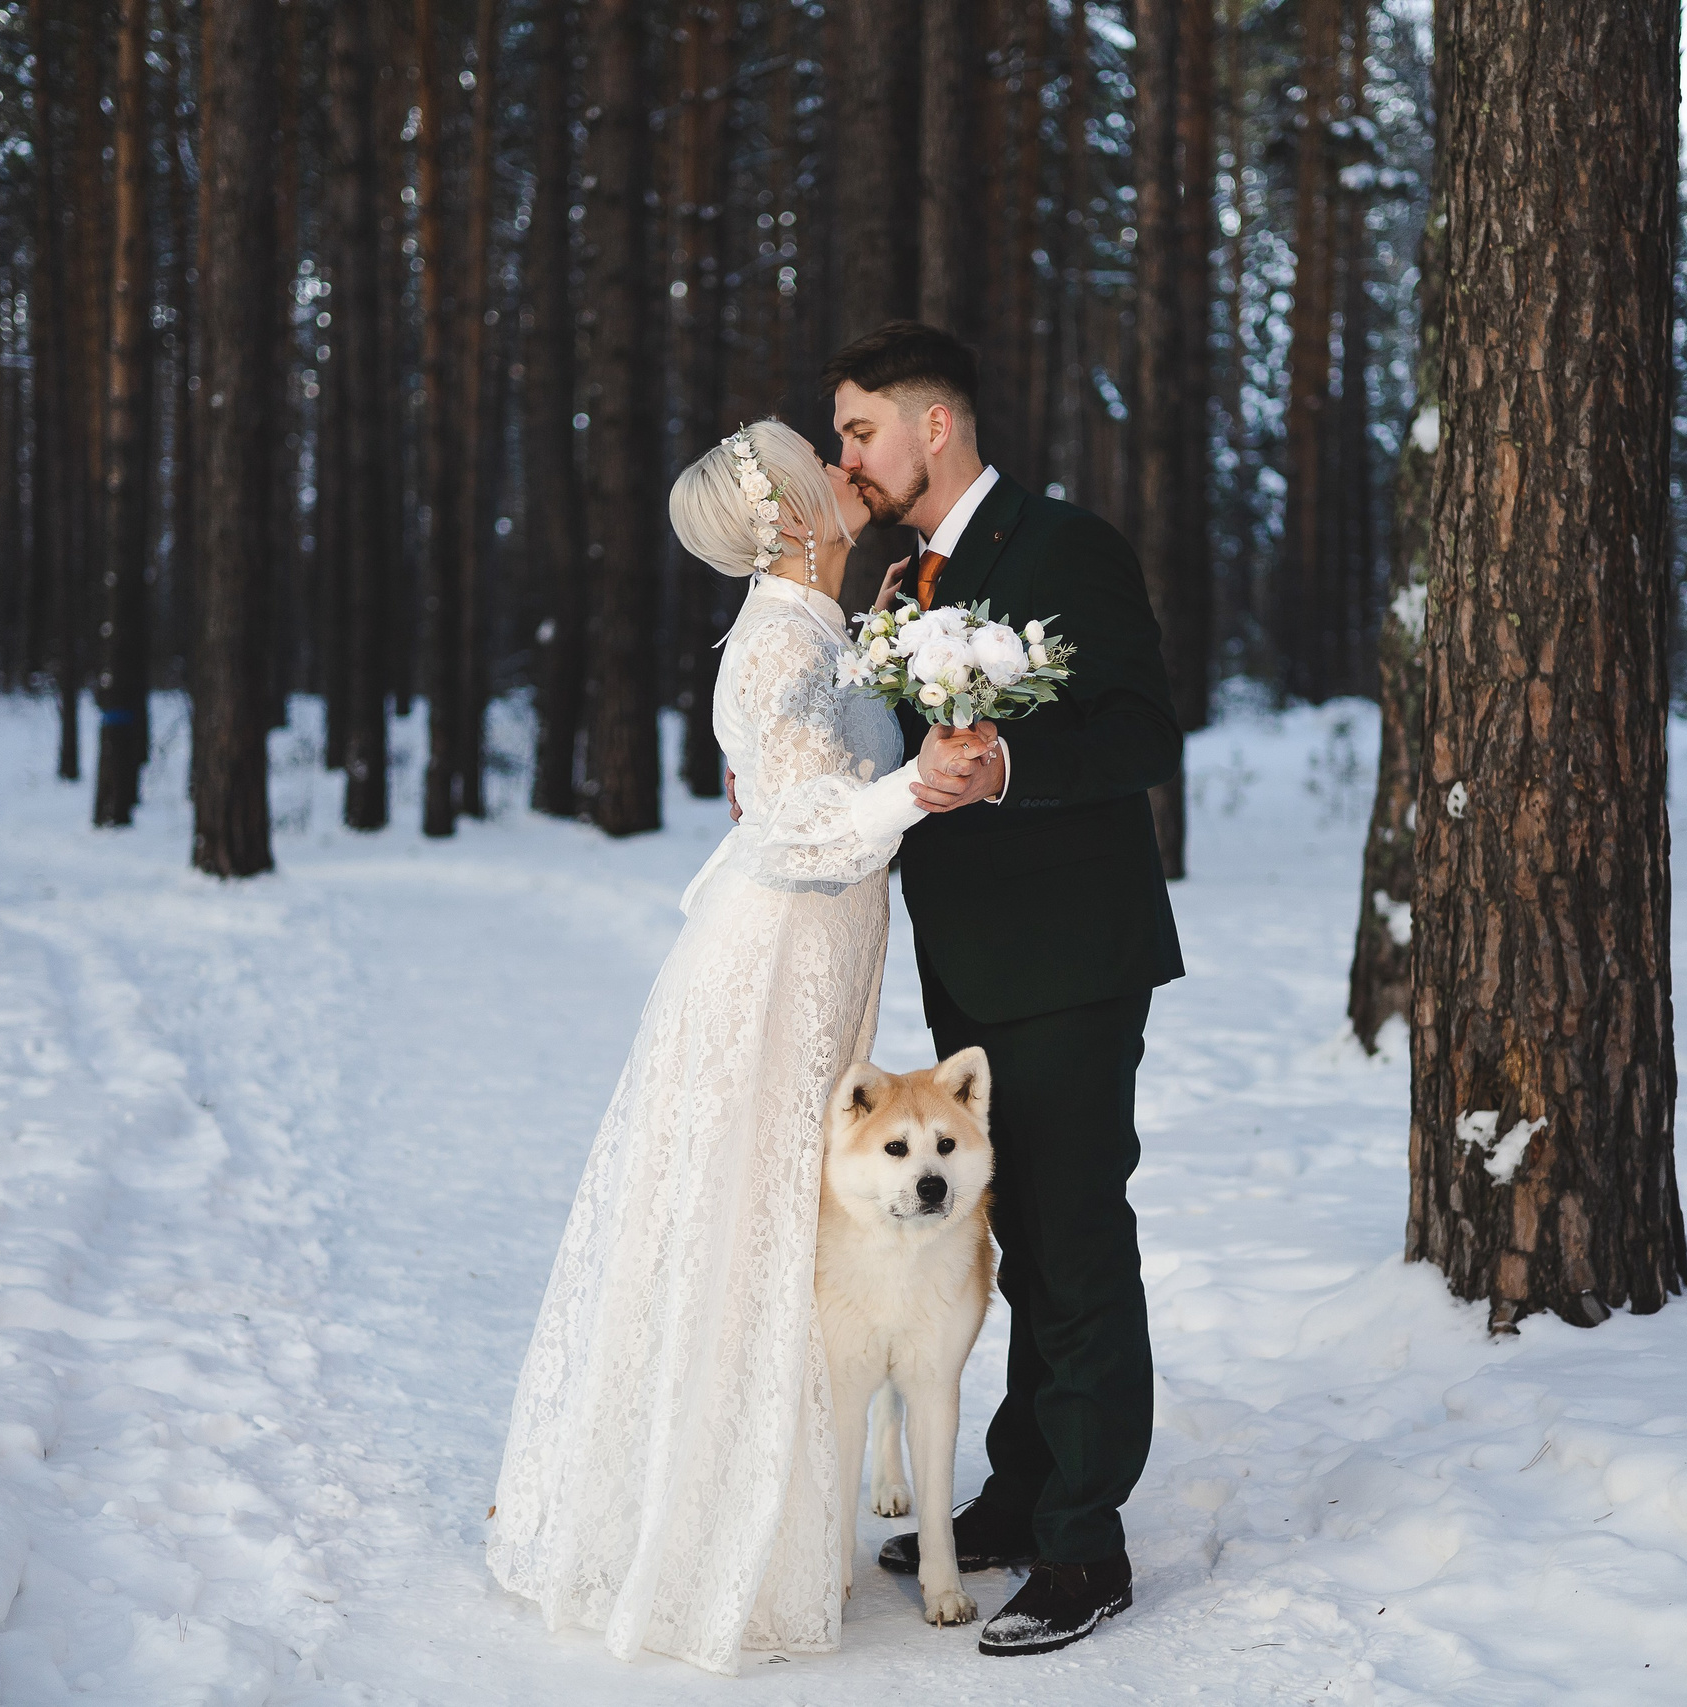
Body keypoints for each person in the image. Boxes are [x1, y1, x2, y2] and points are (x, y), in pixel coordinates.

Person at [485, 418, 983, 1676]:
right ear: (790, 516)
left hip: (822, 957)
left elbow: (815, 761)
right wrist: (912, 788)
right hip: (771, 966)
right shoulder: (766, 642)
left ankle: (764, 1494)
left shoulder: (813, 624)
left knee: (784, 1220)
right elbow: (802, 822)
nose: (839, 461)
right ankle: (716, 1533)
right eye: (816, 462)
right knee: (748, 1222)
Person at [827, 319, 1185, 1657]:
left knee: (1076, 1236)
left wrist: (1014, 770)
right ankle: (1026, 1485)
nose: (848, 456)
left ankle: (1086, 1542)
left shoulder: (1061, 546)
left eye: (861, 429)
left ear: (938, 425)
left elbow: (1147, 726)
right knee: (1014, 1231)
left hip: (1077, 954)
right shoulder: (908, 574)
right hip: (973, 959)